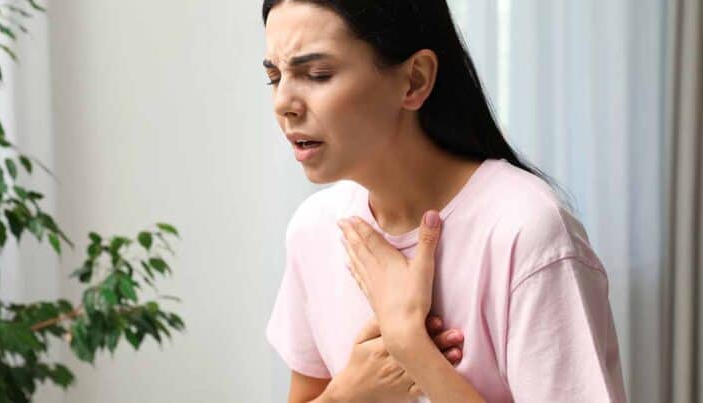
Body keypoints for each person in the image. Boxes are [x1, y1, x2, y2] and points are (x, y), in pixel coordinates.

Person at [262, 1, 627, 402]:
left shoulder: (527, 233)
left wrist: (411, 348)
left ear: (415, 80)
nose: (283, 103)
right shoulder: (314, 229)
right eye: (274, 78)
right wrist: (347, 394)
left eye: (317, 74)